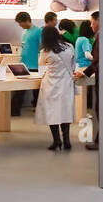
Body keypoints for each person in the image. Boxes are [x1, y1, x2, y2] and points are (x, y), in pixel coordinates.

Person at [35, 24, 75, 151]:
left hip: (51, 84)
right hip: (67, 83)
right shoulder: (69, 47)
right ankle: (67, 141)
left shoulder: (45, 51)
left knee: (51, 112)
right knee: (65, 111)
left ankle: (57, 141)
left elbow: (41, 65)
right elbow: (73, 65)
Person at [76, 15, 99, 149]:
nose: (91, 25)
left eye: (92, 22)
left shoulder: (81, 39)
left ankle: (100, 141)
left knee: (100, 109)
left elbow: (97, 60)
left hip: (87, 68)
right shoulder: (88, 39)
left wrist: (85, 73)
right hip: (87, 68)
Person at [13, 10, 42, 116]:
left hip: (35, 65)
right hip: (24, 64)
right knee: (20, 89)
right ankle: (14, 110)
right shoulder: (24, 32)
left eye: (20, 23)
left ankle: (38, 109)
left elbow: (42, 47)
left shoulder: (38, 31)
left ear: (26, 20)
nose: (20, 25)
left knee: (36, 90)